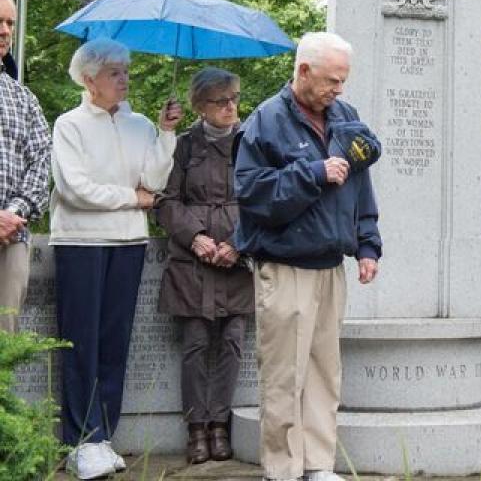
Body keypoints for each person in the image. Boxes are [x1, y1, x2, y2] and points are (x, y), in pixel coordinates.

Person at [235, 32, 382, 481]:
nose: (339, 90)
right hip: (285, 267)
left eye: (343, 81)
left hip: (329, 268)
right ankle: (281, 470)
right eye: (332, 81)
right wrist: (313, 174)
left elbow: (359, 186)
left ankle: (318, 466)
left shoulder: (344, 116)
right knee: (284, 376)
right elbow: (252, 194)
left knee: (323, 373)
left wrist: (367, 243)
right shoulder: (265, 121)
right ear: (303, 72)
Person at [50, 38, 182, 479]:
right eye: (114, 73)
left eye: (126, 71)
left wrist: (165, 133)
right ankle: (78, 441)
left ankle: (103, 436)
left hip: (129, 244)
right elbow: (75, 190)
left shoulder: (140, 123)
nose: (125, 79)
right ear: (89, 79)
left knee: (114, 343)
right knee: (81, 341)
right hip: (81, 243)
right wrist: (133, 199)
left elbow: (154, 180)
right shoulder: (69, 125)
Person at [156, 68, 252, 464]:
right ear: (200, 106)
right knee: (195, 344)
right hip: (191, 265)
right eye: (220, 100)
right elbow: (165, 202)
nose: (230, 106)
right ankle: (196, 428)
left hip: (236, 262)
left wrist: (238, 243)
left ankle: (220, 424)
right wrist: (194, 236)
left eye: (234, 98)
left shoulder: (252, 145)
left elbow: (265, 200)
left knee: (232, 343)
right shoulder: (183, 147)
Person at [0, 0, 51, 332]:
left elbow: (41, 162)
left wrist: (12, 214)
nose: (4, 31)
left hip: (12, 239)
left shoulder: (23, 98)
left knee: (6, 345)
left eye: (10, 23)